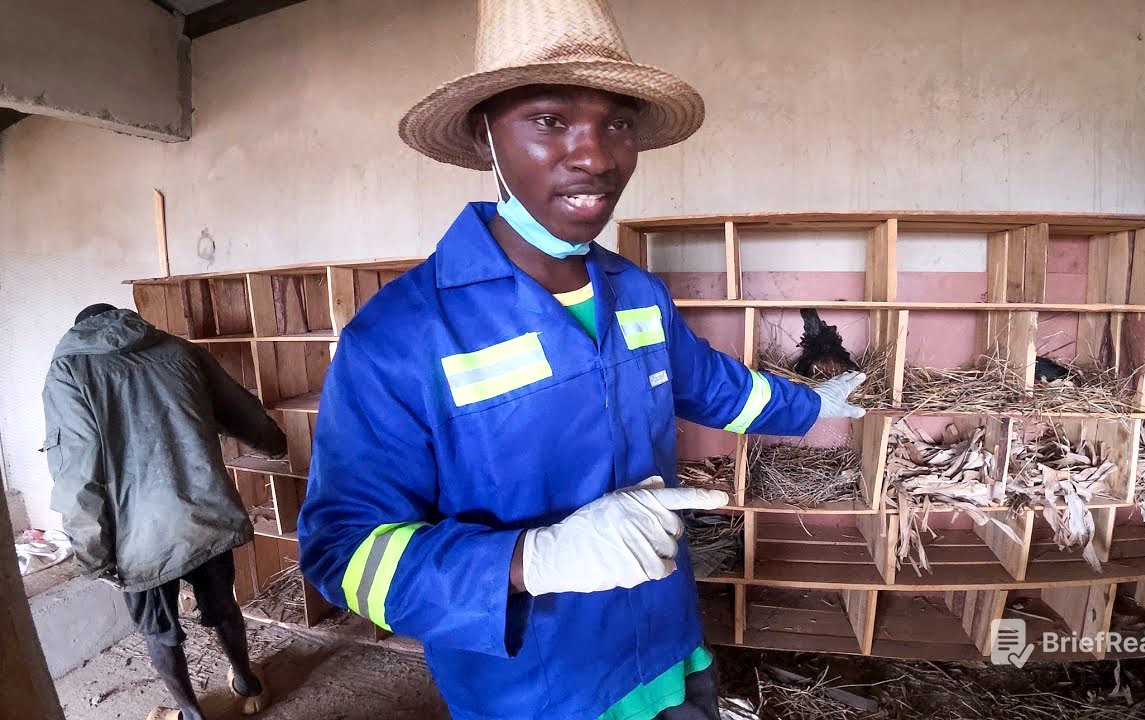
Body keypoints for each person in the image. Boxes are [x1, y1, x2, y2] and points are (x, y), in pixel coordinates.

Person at [297, 1, 868, 718]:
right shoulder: (403, 334)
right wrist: (532, 560)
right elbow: (343, 554)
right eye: (550, 120)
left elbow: (708, 385)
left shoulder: (637, 294)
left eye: (616, 125)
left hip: (668, 646)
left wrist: (818, 404)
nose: (595, 156)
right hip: (538, 689)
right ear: (485, 136)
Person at [43, 303, 286, 720]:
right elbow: (240, 411)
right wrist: (276, 444)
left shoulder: (69, 374)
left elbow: (76, 475)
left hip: (136, 537)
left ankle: (191, 713)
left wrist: (93, 554)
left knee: (159, 629)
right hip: (204, 515)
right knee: (223, 606)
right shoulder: (179, 350)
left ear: (79, 330)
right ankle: (247, 684)